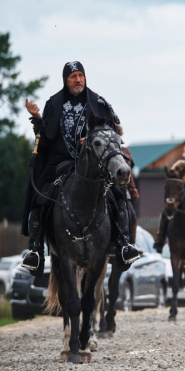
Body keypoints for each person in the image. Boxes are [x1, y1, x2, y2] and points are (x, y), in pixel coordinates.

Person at [21, 61, 140, 272]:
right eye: (73, 76)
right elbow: (46, 140)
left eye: (81, 76)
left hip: (96, 162)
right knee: (40, 195)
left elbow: (113, 133)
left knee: (119, 196)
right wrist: (37, 118)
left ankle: (124, 244)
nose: (78, 80)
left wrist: (93, 140)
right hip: (61, 161)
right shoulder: (54, 104)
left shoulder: (99, 103)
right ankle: (36, 249)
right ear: (66, 80)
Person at [153, 142, 185, 253]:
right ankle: (160, 240)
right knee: (166, 213)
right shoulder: (179, 165)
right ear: (184, 154)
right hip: (181, 197)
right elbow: (172, 179)